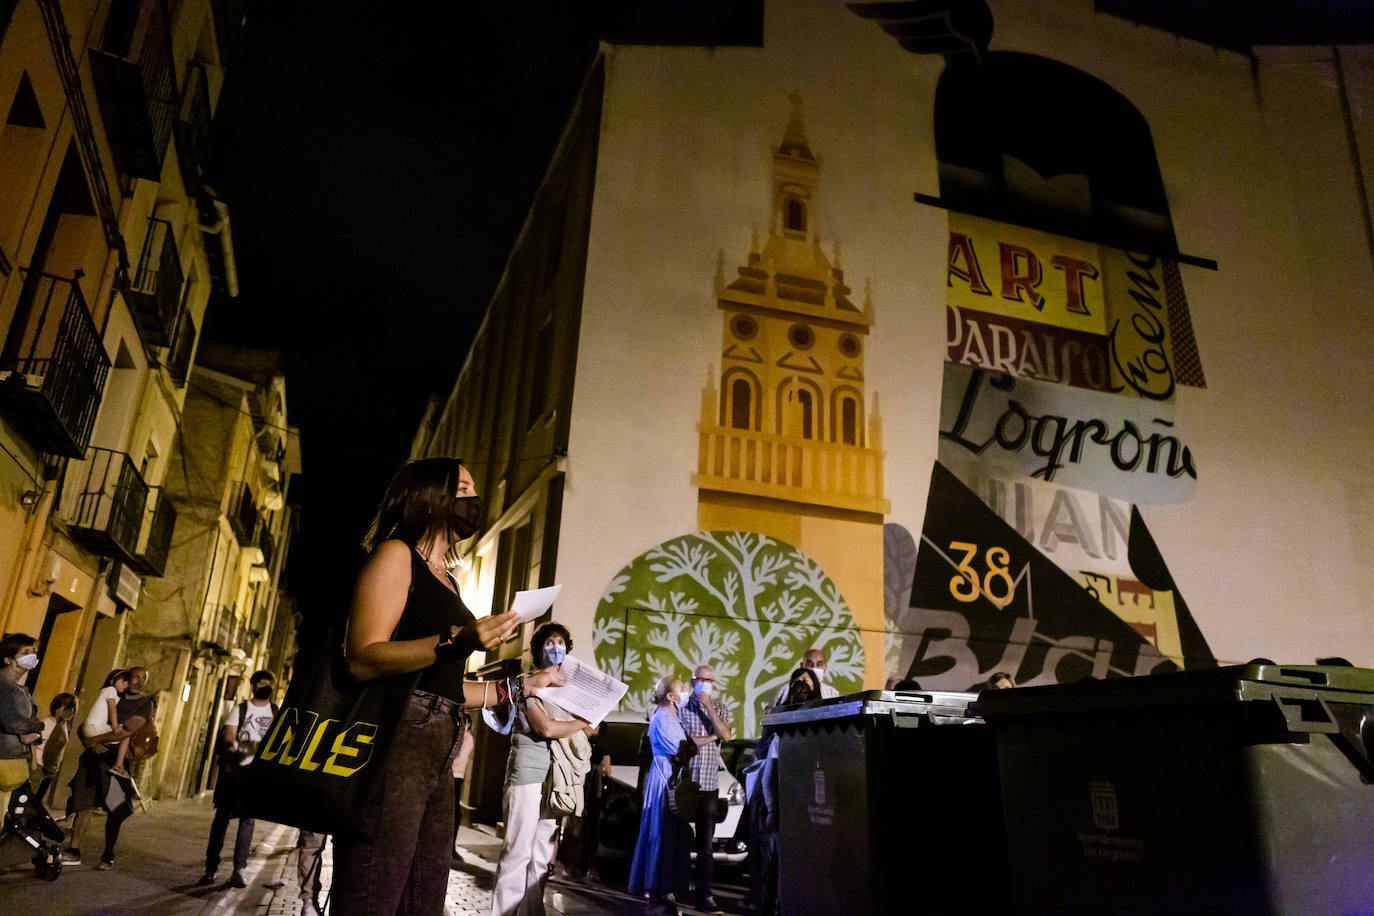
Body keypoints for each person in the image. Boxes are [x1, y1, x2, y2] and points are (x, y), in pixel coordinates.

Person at [331, 456, 562, 916]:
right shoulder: (396, 555)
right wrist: (458, 638)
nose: (474, 499)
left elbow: (450, 687)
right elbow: (361, 656)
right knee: (374, 889)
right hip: (399, 740)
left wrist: (519, 686)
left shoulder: (450, 580)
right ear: (428, 496)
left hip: (443, 741)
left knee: (424, 896)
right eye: (462, 488)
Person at [490, 622, 592, 916]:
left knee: (540, 857)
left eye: (561, 642)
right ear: (538, 650)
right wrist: (582, 722)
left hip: (554, 779)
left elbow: (591, 730)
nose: (556, 648)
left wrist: (588, 718)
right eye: (550, 643)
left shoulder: (567, 688)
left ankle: (533, 912)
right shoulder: (528, 683)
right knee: (517, 853)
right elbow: (545, 727)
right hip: (527, 775)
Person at [65, 666, 153, 869]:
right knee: (82, 804)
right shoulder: (112, 693)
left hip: (115, 761)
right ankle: (74, 849)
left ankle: (108, 853)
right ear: (127, 678)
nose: (138, 680)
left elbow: (126, 731)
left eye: (143, 678)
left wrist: (92, 740)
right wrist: (88, 742)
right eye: (135, 676)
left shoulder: (144, 704)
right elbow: (86, 723)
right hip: (92, 758)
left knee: (115, 809)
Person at [198, 669, 278, 888]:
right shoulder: (240, 710)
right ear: (253, 686)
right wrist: (237, 766)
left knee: (248, 821)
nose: (265, 687)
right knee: (221, 820)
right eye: (261, 683)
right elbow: (228, 740)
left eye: (268, 684)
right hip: (232, 775)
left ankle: (238, 870)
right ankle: (210, 868)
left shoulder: (276, 713)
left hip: (255, 779)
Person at [749, 668, 819, 916]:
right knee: (784, 863)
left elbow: (770, 770)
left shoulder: (787, 731)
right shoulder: (813, 730)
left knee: (778, 864)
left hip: (790, 805)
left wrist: (773, 808)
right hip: (799, 807)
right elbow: (768, 766)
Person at [629, 675, 695, 916]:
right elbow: (681, 750)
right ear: (670, 696)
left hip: (672, 778)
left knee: (670, 837)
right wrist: (703, 741)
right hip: (663, 780)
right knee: (659, 833)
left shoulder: (673, 718)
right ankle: (655, 893)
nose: (685, 694)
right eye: (681, 690)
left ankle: (666, 892)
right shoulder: (661, 719)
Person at [680, 665, 731, 914]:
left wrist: (709, 707)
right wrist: (712, 738)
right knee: (678, 839)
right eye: (701, 679)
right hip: (685, 785)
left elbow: (727, 735)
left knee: (705, 846)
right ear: (693, 681)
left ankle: (705, 895)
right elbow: (685, 743)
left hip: (709, 785)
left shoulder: (719, 708)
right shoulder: (681, 708)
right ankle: (674, 889)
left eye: (709, 680)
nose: (705, 683)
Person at [0, 633, 43, 819]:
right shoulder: (3, 685)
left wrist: (33, 731)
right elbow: (12, 721)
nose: (31, 655)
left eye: (33, 651)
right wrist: (36, 728)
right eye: (25, 652)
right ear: (8, 659)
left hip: (12, 758)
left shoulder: (20, 689)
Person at [82, 669, 133, 778]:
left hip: (92, 727)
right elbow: (112, 707)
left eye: (127, 684)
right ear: (113, 680)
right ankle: (118, 766)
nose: (125, 686)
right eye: (123, 682)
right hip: (94, 728)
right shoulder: (111, 690)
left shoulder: (107, 691)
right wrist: (115, 725)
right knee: (126, 735)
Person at [34, 692, 77, 802]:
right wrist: (34, 765)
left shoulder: (64, 726)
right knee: (32, 799)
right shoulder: (46, 723)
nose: (72, 711)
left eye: (73, 708)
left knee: (38, 800)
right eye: (68, 708)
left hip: (50, 769)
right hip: (39, 766)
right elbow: (34, 744)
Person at [771, 648, 838, 706]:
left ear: (825, 667)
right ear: (802, 666)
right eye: (809, 664)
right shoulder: (786, 690)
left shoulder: (832, 693)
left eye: (819, 664)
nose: (814, 667)